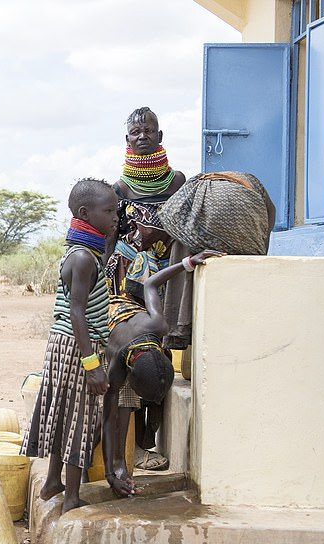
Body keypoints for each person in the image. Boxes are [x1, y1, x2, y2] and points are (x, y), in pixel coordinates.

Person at [21, 179, 118, 514]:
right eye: (109, 211)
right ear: (84, 213)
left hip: (68, 343)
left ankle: (52, 481)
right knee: (81, 420)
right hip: (79, 347)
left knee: (65, 413)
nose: (115, 216)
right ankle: (72, 497)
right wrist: (92, 364)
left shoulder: (83, 252)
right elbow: (77, 312)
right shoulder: (83, 259)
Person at [101, 249, 224, 497]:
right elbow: (107, 416)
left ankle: (122, 462)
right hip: (105, 321)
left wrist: (188, 262)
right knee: (114, 405)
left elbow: (151, 283)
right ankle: (111, 465)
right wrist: (110, 473)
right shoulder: (115, 359)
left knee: (126, 404)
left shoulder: (157, 324)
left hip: (133, 325)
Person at [110, 107, 187, 472]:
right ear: (127, 140)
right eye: (135, 132)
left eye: (148, 131)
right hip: (126, 284)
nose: (142, 136)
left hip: (168, 282)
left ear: (160, 137)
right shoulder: (119, 189)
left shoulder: (177, 184)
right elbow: (109, 237)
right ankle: (132, 449)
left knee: (162, 358)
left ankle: (147, 442)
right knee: (134, 358)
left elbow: (185, 229)